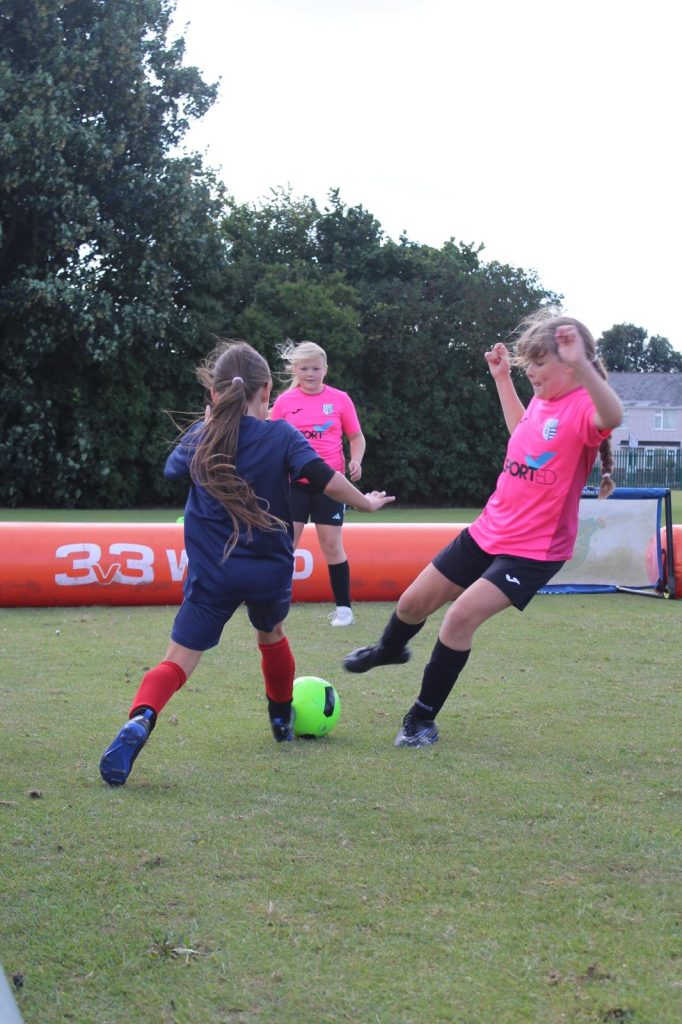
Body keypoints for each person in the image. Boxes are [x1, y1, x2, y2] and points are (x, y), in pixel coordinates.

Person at [99, 340, 394, 787]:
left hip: (212, 573)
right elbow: (325, 479)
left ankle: (141, 718)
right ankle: (280, 719)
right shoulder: (281, 434)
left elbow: (170, 469)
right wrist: (365, 504)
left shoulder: (205, 435)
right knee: (271, 635)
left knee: (177, 660)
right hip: (268, 572)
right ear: (268, 390)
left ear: (216, 394)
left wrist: (209, 422)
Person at [343, 312, 623, 748]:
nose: (529, 368)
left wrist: (586, 366)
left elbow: (615, 413)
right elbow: (522, 433)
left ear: (570, 364)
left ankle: (421, 719)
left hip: (534, 550)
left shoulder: (584, 407)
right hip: (489, 529)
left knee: (459, 617)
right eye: (525, 360)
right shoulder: (544, 404)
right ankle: (388, 649)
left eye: (538, 361)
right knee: (413, 602)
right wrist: (501, 379)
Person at [269, 340, 366, 627]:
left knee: (331, 545)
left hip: (330, 485)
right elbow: (272, 440)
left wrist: (356, 460)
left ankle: (344, 610)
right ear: (294, 370)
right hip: (294, 484)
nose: (310, 374)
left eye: (315, 368)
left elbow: (356, 437)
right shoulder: (284, 403)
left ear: (325, 369)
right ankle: (274, 606)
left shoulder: (340, 399)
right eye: (304, 368)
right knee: (286, 545)